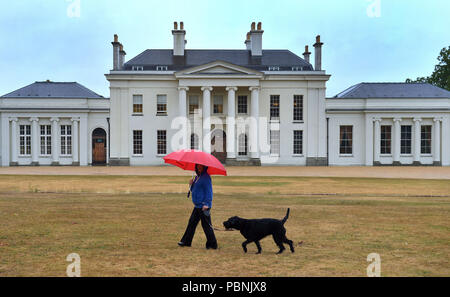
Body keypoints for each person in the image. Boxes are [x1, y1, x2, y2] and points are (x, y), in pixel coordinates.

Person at [178, 164, 218, 249]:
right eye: (197, 166)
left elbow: (209, 191)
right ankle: (186, 242)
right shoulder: (197, 177)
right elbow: (194, 190)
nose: (199, 168)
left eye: (201, 166)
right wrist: (191, 184)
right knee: (191, 223)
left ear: (204, 167)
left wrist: (206, 204)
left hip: (204, 206)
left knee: (206, 226)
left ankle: (212, 245)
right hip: (197, 206)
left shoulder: (206, 177)